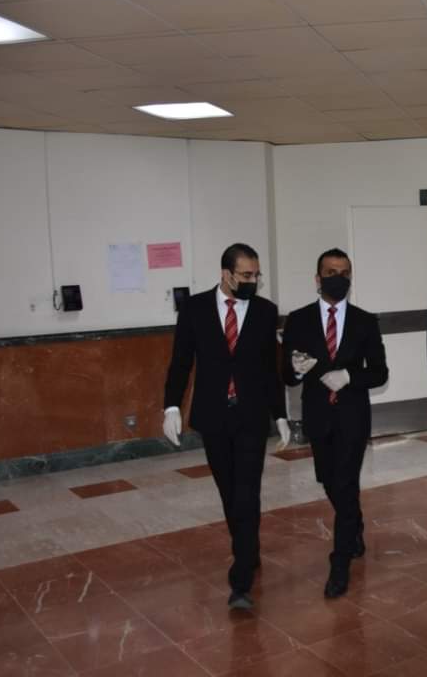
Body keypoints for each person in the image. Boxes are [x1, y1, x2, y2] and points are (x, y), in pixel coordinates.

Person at [162, 243, 289, 611]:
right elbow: (181, 362)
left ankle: (240, 581)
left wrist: (280, 415)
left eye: (256, 275)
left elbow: (270, 369)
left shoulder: (265, 311)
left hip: (251, 416)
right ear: (226, 274)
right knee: (229, 492)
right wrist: (171, 406)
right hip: (214, 416)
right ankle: (248, 547)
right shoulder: (195, 309)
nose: (253, 281)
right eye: (246, 275)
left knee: (247, 492)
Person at [281, 248, 388, 599]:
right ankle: (354, 522)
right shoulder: (298, 320)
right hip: (318, 416)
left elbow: (379, 373)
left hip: (352, 417)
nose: (338, 278)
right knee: (331, 482)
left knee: (344, 480)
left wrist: (349, 376)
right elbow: (287, 374)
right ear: (318, 278)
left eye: (344, 273)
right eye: (331, 272)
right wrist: (296, 370)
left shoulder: (364, 321)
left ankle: (339, 562)